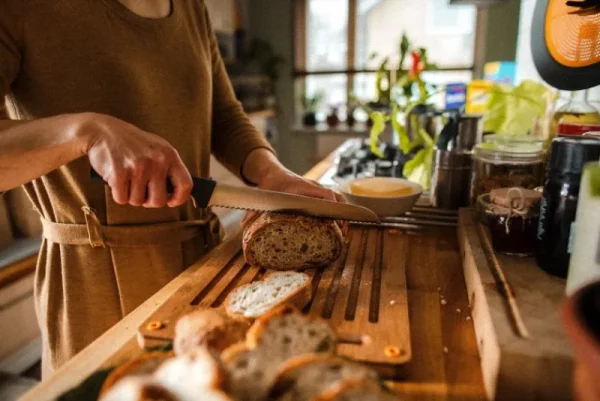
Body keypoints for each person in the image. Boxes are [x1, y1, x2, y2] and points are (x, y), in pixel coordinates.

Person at [0, 0, 342, 377]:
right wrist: (85, 132)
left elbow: (225, 116)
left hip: (203, 267)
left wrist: (272, 176)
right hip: (94, 288)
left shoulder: (192, 7)